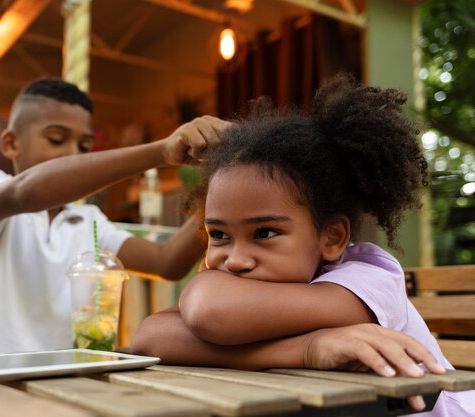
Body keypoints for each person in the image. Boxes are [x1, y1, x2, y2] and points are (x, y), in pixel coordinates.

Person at [0, 77, 446, 386]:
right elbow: (28, 193)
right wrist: (164, 153)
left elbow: (169, 265)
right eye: (56, 140)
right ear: (11, 143)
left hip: (45, 381)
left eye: (83, 145)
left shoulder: (84, 223)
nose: (73, 155)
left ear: (333, 235)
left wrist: (226, 201)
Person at [131, 74, 474, 416]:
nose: (235, 260)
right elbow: (150, 337)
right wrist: (306, 348)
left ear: (332, 237)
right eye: (219, 235)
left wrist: (298, 347)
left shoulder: (366, 283)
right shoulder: (255, 292)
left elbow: (207, 310)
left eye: (264, 233)